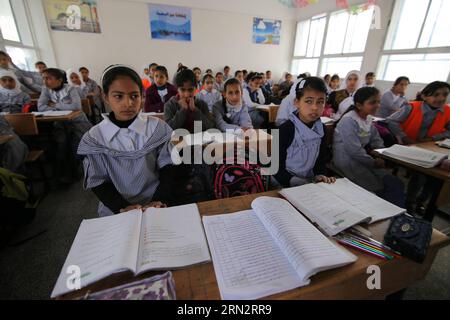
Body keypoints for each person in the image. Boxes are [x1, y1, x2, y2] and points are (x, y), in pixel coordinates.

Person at [78, 65, 174, 217]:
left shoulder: (158, 128)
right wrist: (121, 207)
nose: (128, 103)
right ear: (105, 97)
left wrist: (159, 199)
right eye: (118, 96)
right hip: (115, 208)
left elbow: (168, 167)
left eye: (134, 96)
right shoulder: (94, 138)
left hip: (155, 203)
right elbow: (98, 181)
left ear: (142, 96)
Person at [333, 87, 405, 206]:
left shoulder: (368, 118)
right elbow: (353, 150)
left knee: (395, 183)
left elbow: (376, 139)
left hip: (363, 159)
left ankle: (396, 213)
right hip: (347, 160)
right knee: (379, 187)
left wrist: (381, 155)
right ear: (359, 105)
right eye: (372, 102)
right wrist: (373, 162)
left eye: (378, 101)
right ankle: (387, 213)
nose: (377, 105)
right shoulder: (349, 121)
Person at [386, 81, 450, 215]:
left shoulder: (447, 111)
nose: (441, 98)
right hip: (406, 146)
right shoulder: (411, 107)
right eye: (436, 95)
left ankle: (422, 201)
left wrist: (433, 138)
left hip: (428, 147)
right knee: (421, 173)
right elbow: (391, 121)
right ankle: (409, 202)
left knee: (437, 176)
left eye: (445, 94)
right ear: (425, 96)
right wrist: (404, 137)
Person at [274, 77, 335, 187]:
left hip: (309, 183)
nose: (315, 107)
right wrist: (293, 180)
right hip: (283, 184)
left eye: (320, 102)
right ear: (297, 102)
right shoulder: (284, 130)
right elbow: (274, 168)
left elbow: (320, 161)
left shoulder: (322, 129)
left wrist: (319, 174)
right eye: (308, 101)